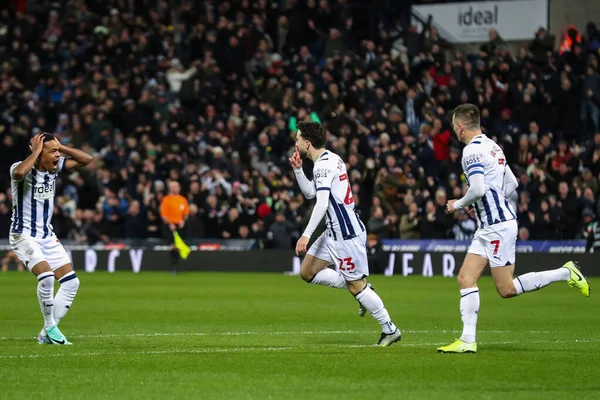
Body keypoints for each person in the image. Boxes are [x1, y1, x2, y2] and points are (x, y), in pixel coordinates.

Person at [438, 104, 590, 354]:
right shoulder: (493, 146)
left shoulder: (471, 151)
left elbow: (476, 189)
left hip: (498, 227)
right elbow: (513, 182)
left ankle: (566, 273)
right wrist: (491, 204)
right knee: (465, 278)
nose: (455, 131)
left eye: (455, 127)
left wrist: (459, 204)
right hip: (490, 224)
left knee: (506, 289)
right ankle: (467, 340)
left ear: (460, 126)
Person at [290, 122, 401, 347]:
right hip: (334, 232)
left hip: (345, 234)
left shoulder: (323, 166)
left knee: (355, 287)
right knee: (307, 272)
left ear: (307, 143)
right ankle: (363, 287)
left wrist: (306, 235)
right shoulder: (332, 158)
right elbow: (313, 193)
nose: (296, 142)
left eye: (298, 138)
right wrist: (299, 170)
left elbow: (321, 204)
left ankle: (390, 329)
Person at [9, 133, 92, 345]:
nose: (57, 155)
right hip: (23, 235)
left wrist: (61, 147)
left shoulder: (55, 167)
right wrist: (37, 151)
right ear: (38, 153)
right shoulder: (21, 168)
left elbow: (87, 160)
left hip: (47, 235)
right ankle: (50, 326)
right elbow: (18, 174)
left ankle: (45, 334)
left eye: (58, 152)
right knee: (46, 277)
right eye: (52, 151)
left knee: (72, 283)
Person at [160, 181, 190, 273]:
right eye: (173, 186)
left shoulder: (183, 199)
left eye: (176, 186)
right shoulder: (166, 199)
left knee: (179, 245)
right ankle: (173, 266)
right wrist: (169, 223)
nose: (175, 188)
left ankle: (177, 266)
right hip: (170, 226)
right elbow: (164, 214)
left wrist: (183, 221)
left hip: (180, 225)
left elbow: (186, 213)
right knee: (173, 246)